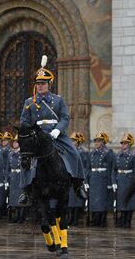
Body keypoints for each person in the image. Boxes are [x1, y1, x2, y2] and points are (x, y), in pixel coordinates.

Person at [18, 64, 87, 205]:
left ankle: (78, 184)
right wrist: (30, 131)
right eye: (38, 84)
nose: (40, 86)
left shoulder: (58, 100)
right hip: (37, 136)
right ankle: (25, 190)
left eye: (43, 83)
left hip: (56, 134)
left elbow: (65, 117)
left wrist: (57, 130)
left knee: (74, 153)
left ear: (49, 84)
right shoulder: (29, 102)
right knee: (26, 159)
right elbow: (24, 121)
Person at [88, 132, 116, 227]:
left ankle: (102, 220)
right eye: (95, 141)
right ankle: (94, 219)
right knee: (94, 201)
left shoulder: (108, 153)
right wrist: (87, 180)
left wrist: (110, 182)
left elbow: (110, 168)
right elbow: (88, 167)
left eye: (98, 141)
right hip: (93, 178)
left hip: (103, 178)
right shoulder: (91, 153)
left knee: (102, 201)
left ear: (103, 142)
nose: (96, 143)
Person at [115, 132, 135, 228]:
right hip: (120, 179)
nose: (123, 145)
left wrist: (134, 182)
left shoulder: (134, 154)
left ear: (129, 144)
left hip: (129, 179)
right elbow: (116, 168)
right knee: (121, 200)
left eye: (125, 143)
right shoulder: (118, 154)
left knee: (129, 201)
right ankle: (122, 219)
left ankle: (127, 220)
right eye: (122, 143)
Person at [67, 132, 90, 226]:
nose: (72, 142)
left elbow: (86, 166)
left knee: (77, 199)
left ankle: (76, 218)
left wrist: (83, 177)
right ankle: (70, 218)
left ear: (78, 142)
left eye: (74, 141)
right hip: (70, 177)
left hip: (78, 177)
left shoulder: (83, 152)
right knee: (70, 199)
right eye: (71, 140)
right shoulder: (69, 150)